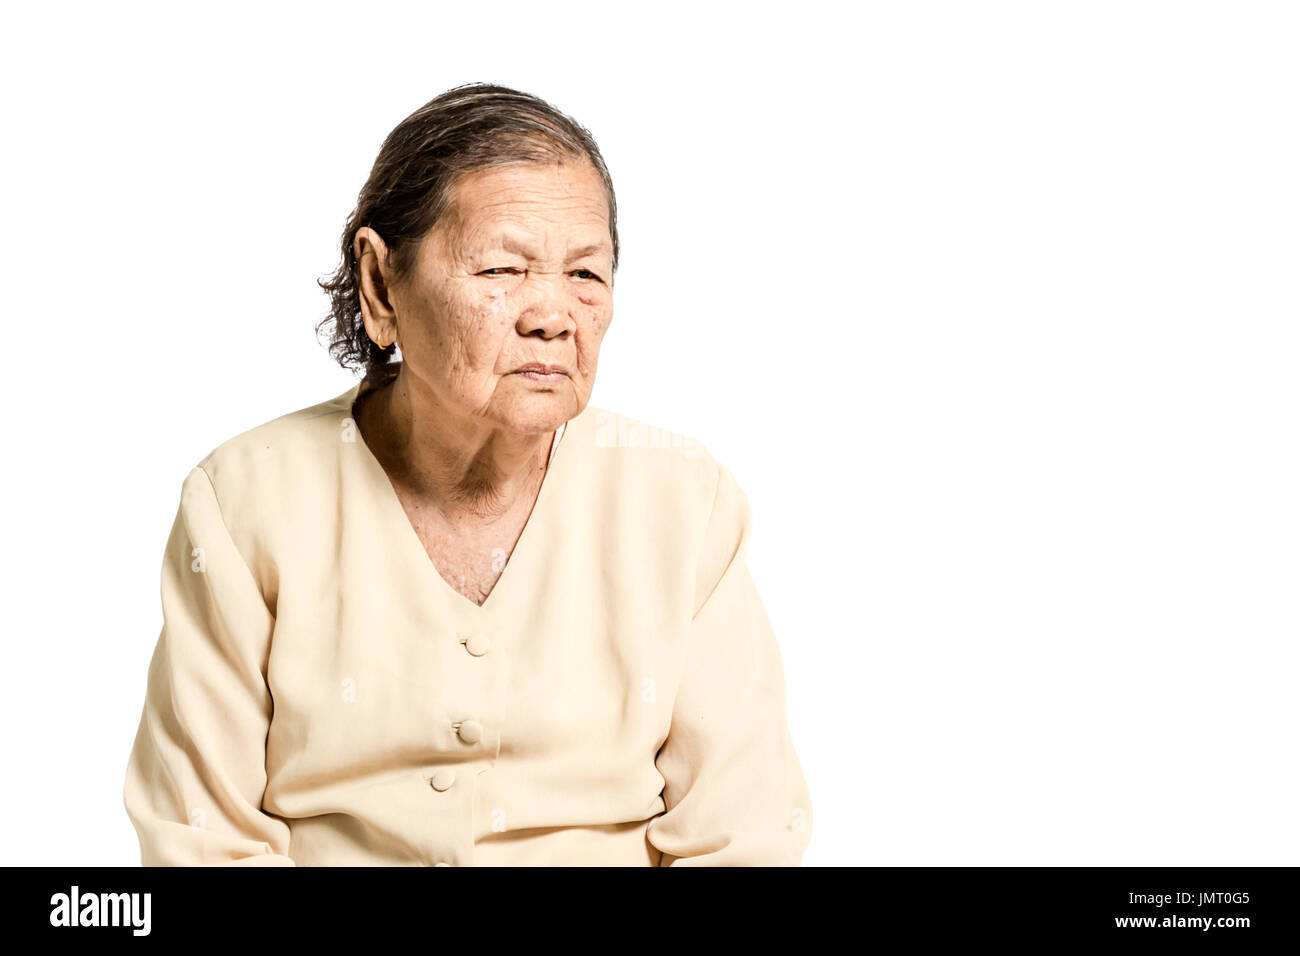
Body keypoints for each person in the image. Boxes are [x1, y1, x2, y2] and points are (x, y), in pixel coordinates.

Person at [123, 82, 812, 866]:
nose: (553, 314)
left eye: (586, 274)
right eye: (501, 270)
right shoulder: (245, 501)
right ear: (382, 285)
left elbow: (742, 835)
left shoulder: (683, 504)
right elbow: (202, 841)